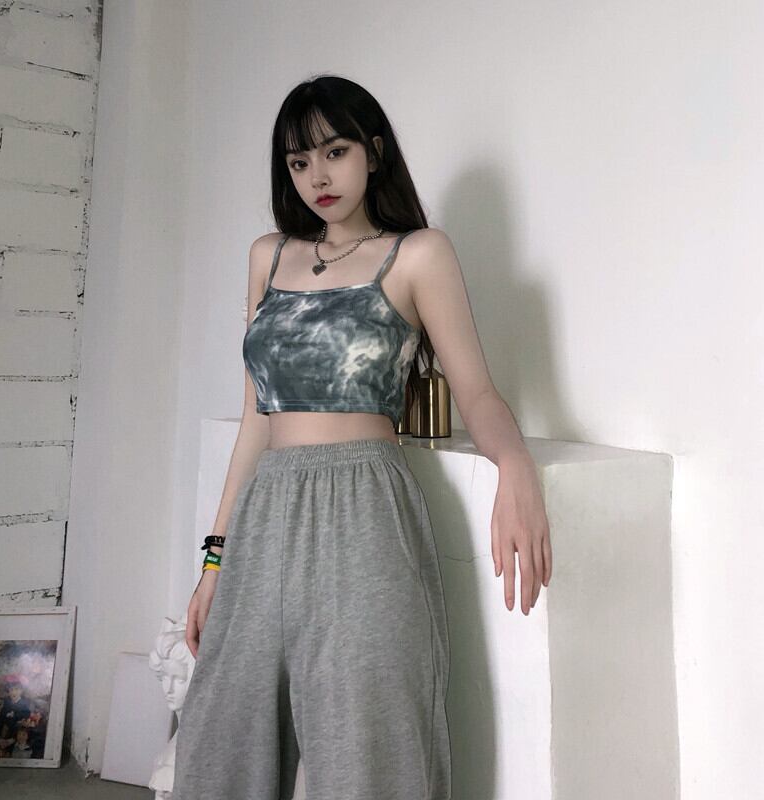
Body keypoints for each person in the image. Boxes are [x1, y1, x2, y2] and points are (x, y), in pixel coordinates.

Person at [171, 74, 552, 800]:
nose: (317, 176)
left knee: (370, 750)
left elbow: (477, 392)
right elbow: (256, 420)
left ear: (373, 153)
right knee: (221, 746)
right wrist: (213, 562)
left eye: (335, 152)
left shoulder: (418, 254)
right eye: (298, 162)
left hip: (364, 511)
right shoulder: (266, 256)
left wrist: (516, 465)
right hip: (265, 516)